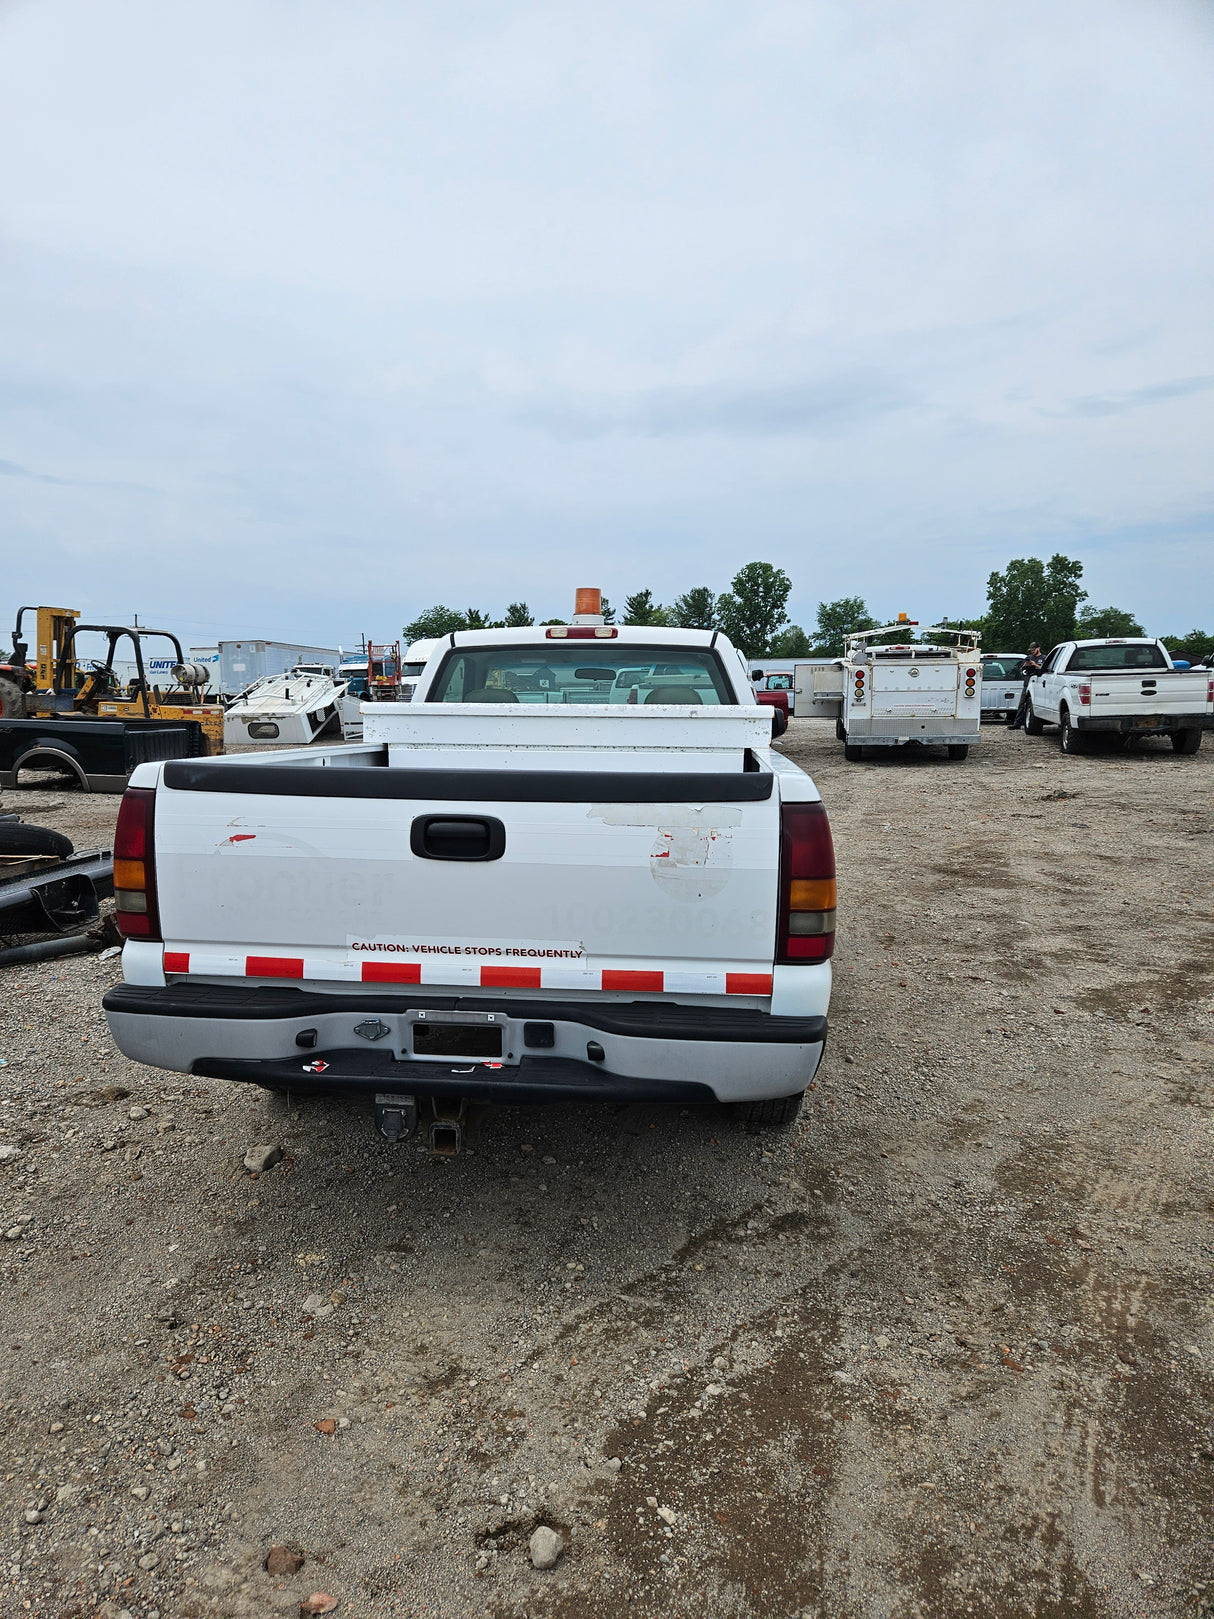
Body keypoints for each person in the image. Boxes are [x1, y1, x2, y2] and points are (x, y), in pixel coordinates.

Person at [1008, 643, 1045, 728]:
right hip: (1027, 683)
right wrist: (1025, 665)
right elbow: (1022, 670)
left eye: (1034, 650)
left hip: (1038, 684)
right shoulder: (1029, 658)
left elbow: (1043, 670)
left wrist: (1035, 665)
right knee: (1021, 704)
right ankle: (1017, 723)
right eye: (1031, 650)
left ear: (1038, 648)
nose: (1032, 651)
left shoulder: (1043, 658)